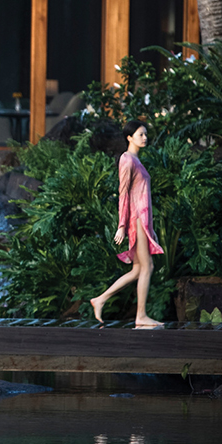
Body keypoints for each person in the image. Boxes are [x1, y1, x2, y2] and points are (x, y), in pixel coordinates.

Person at [90, 121, 164, 326]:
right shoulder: (127, 160)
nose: (145, 138)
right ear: (129, 138)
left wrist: (152, 230)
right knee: (147, 266)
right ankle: (141, 316)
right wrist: (122, 225)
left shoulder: (136, 160)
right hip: (136, 220)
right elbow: (124, 194)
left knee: (138, 270)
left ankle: (100, 299)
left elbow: (141, 195)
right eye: (140, 134)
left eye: (146, 134)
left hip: (144, 221)